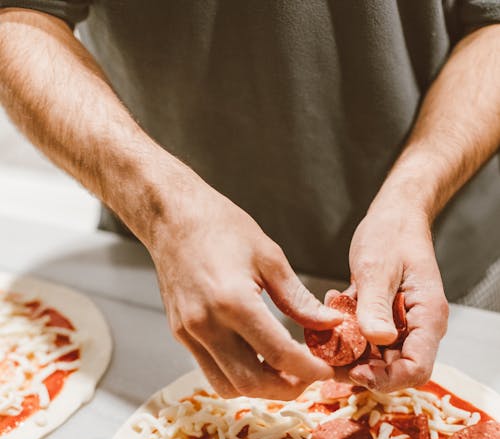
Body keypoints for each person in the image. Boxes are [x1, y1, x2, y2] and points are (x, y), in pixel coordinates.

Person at [0, 2, 499, 400]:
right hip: (170, 268)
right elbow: (18, 19)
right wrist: (164, 210)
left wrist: (413, 193)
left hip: (440, 257)